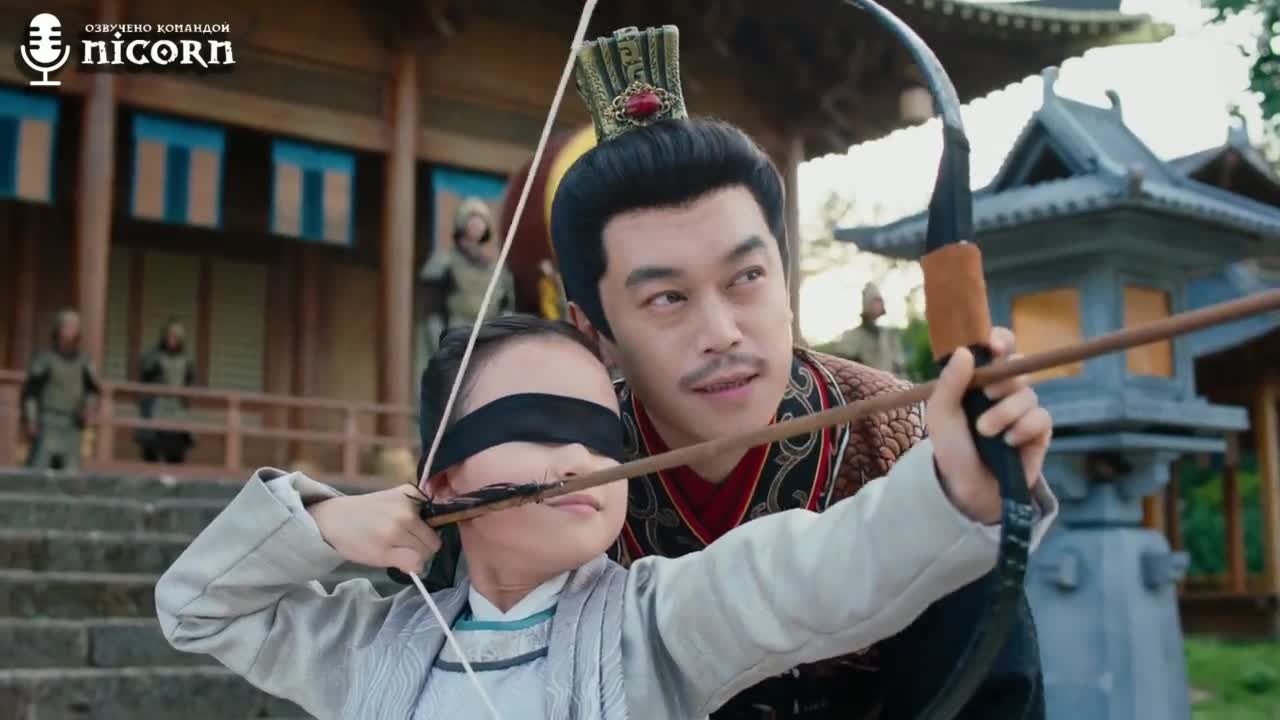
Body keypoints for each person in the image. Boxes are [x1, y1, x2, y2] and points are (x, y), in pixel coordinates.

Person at [155, 314, 1057, 720]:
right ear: (445, 474)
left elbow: (813, 572)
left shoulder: (653, 625)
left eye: (601, 434)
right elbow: (197, 608)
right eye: (537, 425)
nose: (585, 459)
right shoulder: (370, 647)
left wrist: (956, 483)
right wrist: (321, 523)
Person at [541, 25, 1052, 719]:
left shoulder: (900, 438)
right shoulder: (560, 477)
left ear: (787, 279)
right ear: (592, 331)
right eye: (666, 298)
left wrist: (973, 494)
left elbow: (990, 695)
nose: (722, 333)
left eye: (746, 277)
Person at [419, 197, 517, 333]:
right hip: (455, 334)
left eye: (482, 219)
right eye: (473, 218)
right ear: (462, 221)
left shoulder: (496, 270)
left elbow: (506, 309)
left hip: (487, 334)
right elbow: (431, 311)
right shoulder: (444, 262)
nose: (478, 224)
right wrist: (439, 339)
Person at [20, 309, 101, 472]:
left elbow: (92, 391)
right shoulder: (44, 359)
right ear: (58, 330)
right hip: (48, 421)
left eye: (74, 327)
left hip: (73, 424)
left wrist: (89, 409)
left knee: (70, 472)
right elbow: (31, 393)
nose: (70, 331)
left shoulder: (84, 362)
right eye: (67, 327)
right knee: (39, 468)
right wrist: (31, 419)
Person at [134, 318, 196, 464]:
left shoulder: (186, 360)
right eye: (170, 335)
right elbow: (144, 376)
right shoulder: (154, 356)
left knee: (175, 451)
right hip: (156, 406)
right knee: (151, 449)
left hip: (177, 409)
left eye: (176, 336)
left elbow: (189, 380)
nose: (172, 339)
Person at [829, 282, 906, 376]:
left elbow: (899, 368)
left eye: (879, 301)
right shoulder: (852, 336)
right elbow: (840, 364)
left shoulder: (889, 336)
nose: (878, 305)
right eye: (874, 301)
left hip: (889, 382)